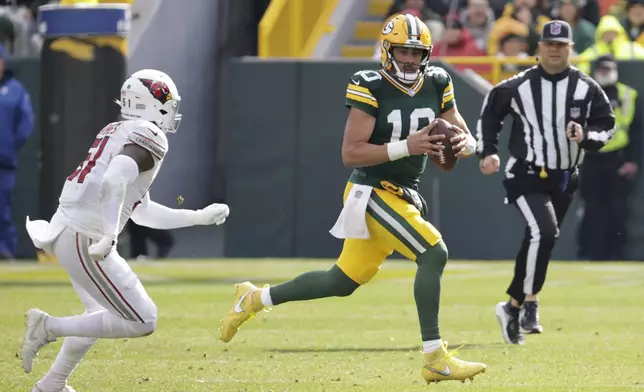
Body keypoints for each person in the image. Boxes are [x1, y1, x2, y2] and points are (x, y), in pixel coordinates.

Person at [218, 13, 487, 385]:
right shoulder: (369, 84)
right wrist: (407, 146)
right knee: (433, 252)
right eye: (403, 51)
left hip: (404, 193)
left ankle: (254, 298)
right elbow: (352, 153)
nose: (410, 59)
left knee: (341, 281)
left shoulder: (438, 79)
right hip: (373, 189)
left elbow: (455, 122)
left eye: (416, 52)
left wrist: (469, 143)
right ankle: (434, 358)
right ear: (387, 50)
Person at [20, 69, 230, 392]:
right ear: (153, 104)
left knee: (97, 316)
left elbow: (141, 212)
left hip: (69, 229)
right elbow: (113, 179)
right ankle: (47, 327)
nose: (172, 112)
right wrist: (109, 234)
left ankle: (51, 385)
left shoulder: (118, 129)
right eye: (169, 104)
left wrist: (198, 217)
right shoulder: (150, 134)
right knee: (144, 319)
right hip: (85, 235)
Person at [476, 20, 616, 345]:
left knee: (539, 241)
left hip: (566, 176)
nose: (554, 50)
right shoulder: (519, 85)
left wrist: (587, 137)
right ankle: (530, 304)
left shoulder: (586, 87)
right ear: (539, 48)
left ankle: (510, 307)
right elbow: (491, 111)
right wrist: (487, 151)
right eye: (549, 44)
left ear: (570, 49)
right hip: (526, 172)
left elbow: (606, 125)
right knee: (545, 232)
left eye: (561, 45)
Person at [577, 54, 642, 260]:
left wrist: (633, 160)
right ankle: (590, 253)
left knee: (617, 209)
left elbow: (638, 132)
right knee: (592, 209)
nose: (606, 72)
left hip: (618, 159)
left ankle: (615, 253)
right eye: (602, 69)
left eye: (609, 69)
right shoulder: (583, 94)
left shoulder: (628, 95)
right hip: (589, 158)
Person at [0, 43, 35, 260]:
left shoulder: (15, 90)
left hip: (3, 162)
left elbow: (26, 124)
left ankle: (5, 250)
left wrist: (9, 146)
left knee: (3, 211)